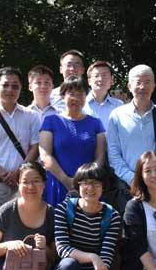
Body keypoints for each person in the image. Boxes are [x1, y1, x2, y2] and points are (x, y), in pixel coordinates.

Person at [53, 163, 122, 270]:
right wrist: (92, 257)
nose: (90, 188)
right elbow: (62, 248)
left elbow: (105, 258)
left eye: (96, 183)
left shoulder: (112, 216)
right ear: (77, 185)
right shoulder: (64, 209)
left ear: (103, 187)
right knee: (68, 265)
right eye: (85, 183)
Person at [0, 67, 41, 237]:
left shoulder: (31, 116)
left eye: (15, 86)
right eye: (6, 85)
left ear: (21, 88)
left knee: (23, 232)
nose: (10, 90)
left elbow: (35, 147)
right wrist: (3, 174)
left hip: (23, 185)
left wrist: (19, 172)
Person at [106, 65, 156, 212]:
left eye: (147, 82)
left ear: (153, 85)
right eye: (138, 82)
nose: (142, 86)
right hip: (129, 187)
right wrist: (133, 179)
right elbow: (114, 154)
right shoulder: (117, 116)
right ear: (129, 85)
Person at [40, 75, 106, 207]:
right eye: (71, 93)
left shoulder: (96, 123)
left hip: (89, 188)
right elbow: (45, 155)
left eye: (80, 94)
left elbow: (100, 156)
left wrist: (86, 181)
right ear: (63, 96)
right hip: (58, 183)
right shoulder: (50, 121)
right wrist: (66, 181)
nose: (76, 98)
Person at [83, 61, 124, 130]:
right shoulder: (81, 105)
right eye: (96, 76)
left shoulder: (119, 106)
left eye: (104, 75)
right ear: (89, 81)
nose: (100, 79)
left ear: (111, 80)